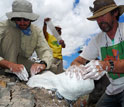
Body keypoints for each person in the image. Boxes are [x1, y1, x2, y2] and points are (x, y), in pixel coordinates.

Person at [71, 0, 124, 107]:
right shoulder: (97, 40)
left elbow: (105, 66)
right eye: (97, 18)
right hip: (112, 90)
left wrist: (105, 65)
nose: (100, 21)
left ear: (115, 13)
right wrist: (78, 67)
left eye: (103, 15)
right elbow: (76, 61)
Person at [0, 0, 53, 81]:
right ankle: (8, 74)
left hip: (22, 62)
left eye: (25, 19)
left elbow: (45, 50)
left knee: (52, 68)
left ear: (30, 19)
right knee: (12, 31)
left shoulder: (36, 31)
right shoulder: (3, 26)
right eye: (18, 19)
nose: (22, 23)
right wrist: (10, 65)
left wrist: (43, 64)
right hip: (3, 62)